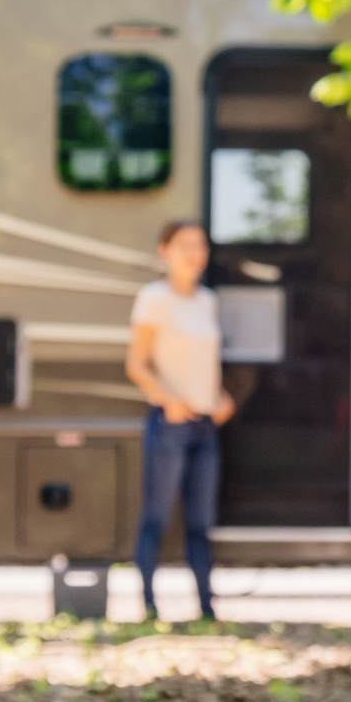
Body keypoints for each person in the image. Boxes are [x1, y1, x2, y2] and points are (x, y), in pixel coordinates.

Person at [125, 220, 233, 620]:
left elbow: (204, 364)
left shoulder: (207, 300)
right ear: (164, 251)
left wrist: (220, 398)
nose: (194, 253)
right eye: (184, 245)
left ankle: (206, 608)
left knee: (201, 521)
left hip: (206, 426)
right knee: (156, 515)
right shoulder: (154, 299)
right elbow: (137, 364)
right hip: (170, 423)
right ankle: (149, 606)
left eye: (200, 245)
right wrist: (167, 400)